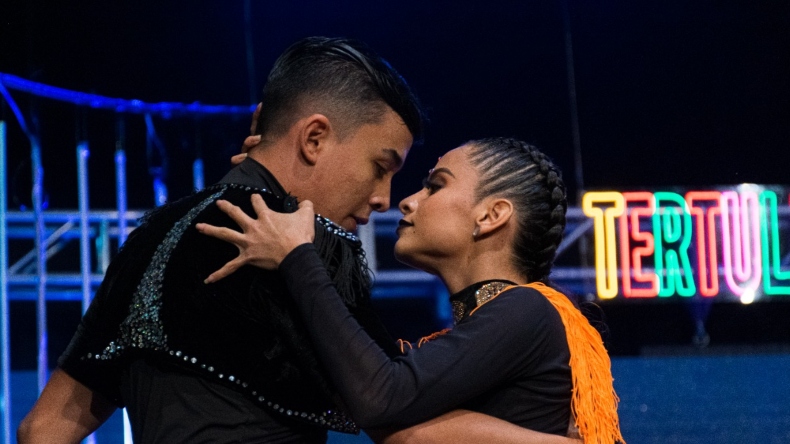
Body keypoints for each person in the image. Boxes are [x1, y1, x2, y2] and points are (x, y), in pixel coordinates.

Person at [17, 37, 578, 443]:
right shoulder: (301, 243)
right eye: (381, 167)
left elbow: (42, 428)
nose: (386, 199)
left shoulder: (151, 236)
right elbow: (391, 407)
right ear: (314, 138)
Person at [198, 137, 626, 443]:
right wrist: (285, 172)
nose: (408, 200)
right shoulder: (496, 325)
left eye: (435, 186)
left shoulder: (527, 309)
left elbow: (378, 396)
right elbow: (366, 378)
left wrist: (297, 256)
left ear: (491, 215)